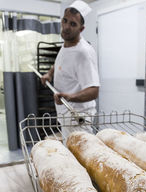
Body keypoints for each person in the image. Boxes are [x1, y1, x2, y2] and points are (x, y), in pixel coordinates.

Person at [41, 0, 99, 139]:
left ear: (81, 29)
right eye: (65, 21)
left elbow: (94, 91)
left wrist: (69, 97)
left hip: (78, 117)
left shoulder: (83, 52)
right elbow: (61, 63)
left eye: (73, 24)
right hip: (66, 114)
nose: (66, 27)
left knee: (81, 156)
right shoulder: (66, 44)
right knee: (70, 153)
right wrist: (49, 74)